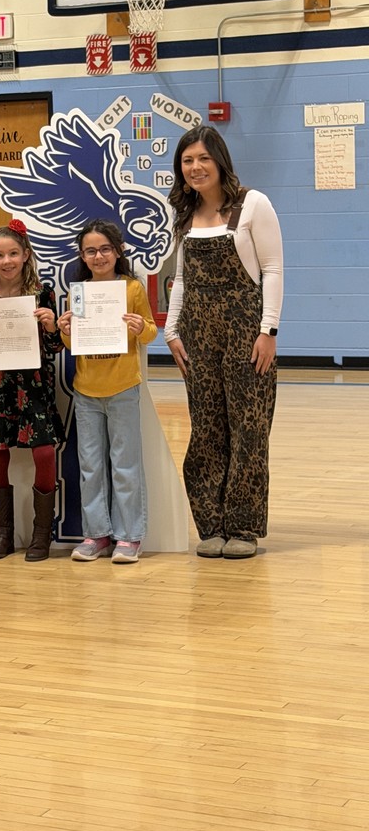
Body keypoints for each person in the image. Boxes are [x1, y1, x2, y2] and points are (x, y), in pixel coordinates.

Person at [164, 125, 283, 560]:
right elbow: (181, 279)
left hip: (246, 331)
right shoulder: (184, 213)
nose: (195, 168)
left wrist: (268, 331)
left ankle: (244, 528)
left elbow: (273, 270)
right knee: (207, 429)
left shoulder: (253, 204)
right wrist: (171, 330)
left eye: (202, 159)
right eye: (187, 161)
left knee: (249, 428)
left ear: (220, 161)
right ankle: (211, 524)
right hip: (197, 333)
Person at [0, 219, 65, 562]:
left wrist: (51, 325)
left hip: (32, 384)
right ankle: (3, 533)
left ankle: (41, 533)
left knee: (44, 452)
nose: (7, 261)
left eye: (13, 254)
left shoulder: (42, 292)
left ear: (26, 255)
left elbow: (53, 346)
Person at [58, 219, 157, 564]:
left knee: (125, 465)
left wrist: (139, 326)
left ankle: (129, 536)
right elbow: (72, 344)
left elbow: (150, 332)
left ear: (118, 251)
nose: (98, 256)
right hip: (86, 390)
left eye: (105, 249)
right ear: (82, 256)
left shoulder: (131, 288)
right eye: (90, 251)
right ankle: (96, 533)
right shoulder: (78, 292)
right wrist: (65, 330)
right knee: (90, 466)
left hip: (123, 388)